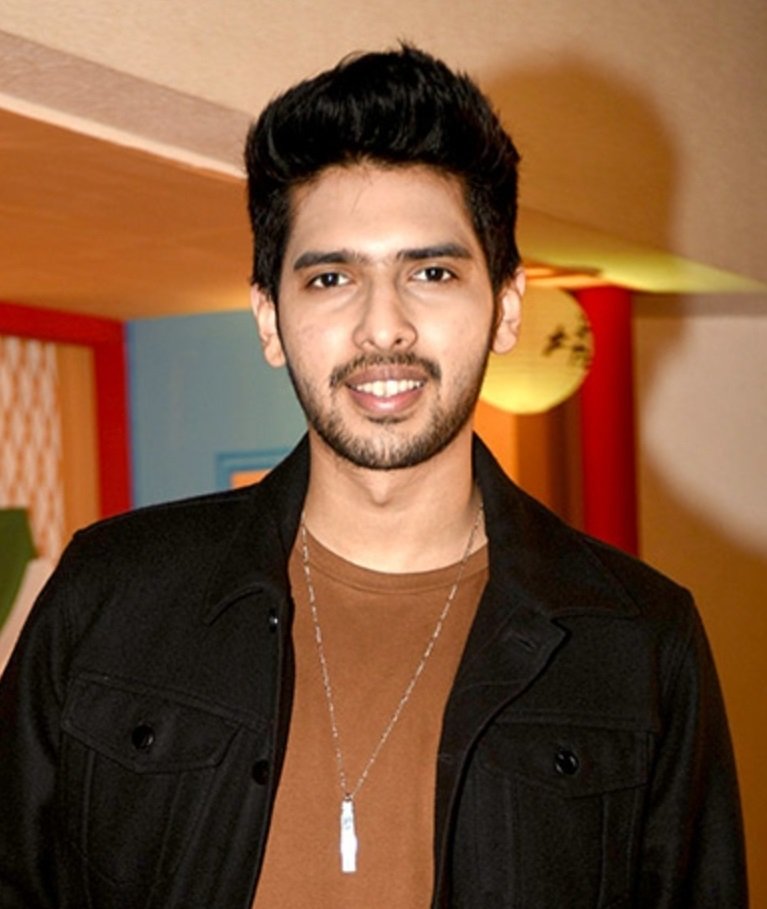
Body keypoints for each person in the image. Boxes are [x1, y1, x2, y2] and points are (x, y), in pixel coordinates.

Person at [0, 45, 746, 909]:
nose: (382, 326)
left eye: (430, 272)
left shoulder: (638, 638)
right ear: (269, 318)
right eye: (330, 277)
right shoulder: (110, 593)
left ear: (505, 306)